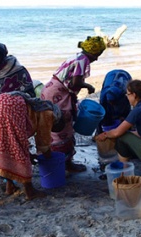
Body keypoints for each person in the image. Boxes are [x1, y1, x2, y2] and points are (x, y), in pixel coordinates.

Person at [40, 36, 106, 173]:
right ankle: (66, 163)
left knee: (52, 125)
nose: (97, 59)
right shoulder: (84, 60)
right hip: (58, 94)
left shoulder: (77, 57)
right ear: (92, 53)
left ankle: (54, 158)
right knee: (63, 126)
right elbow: (75, 83)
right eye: (97, 55)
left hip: (50, 89)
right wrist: (88, 86)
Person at [0, 91, 65, 200]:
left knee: (3, 148)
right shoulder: (48, 114)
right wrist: (50, 160)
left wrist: (31, 155)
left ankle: (10, 186)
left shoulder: (40, 106)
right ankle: (29, 191)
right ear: (56, 121)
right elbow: (43, 142)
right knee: (20, 151)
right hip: (8, 109)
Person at [97, 69, 132, 134]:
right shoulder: (104, 95)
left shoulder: (124, 93)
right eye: (110, 103)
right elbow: (100, 113)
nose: (112, 105)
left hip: (125, 75)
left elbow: (128, 109)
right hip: (110, 76)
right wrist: (99, 132)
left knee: (125, 112)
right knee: (104, 112)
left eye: (114, 103)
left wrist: (124, 119)